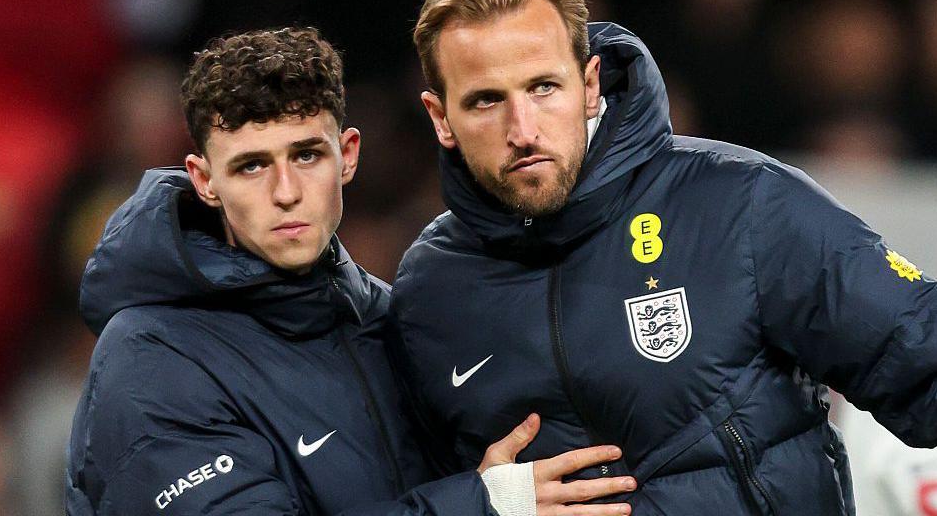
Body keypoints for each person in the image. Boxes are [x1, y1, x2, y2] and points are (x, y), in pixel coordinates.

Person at [388, 0, 937, 516]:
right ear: (440, 117)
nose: (523, 128)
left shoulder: (737, 203)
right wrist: (474, 505)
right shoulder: (429, 291)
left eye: (543, 87)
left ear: (590, 83)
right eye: (486, 101)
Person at [66, 27, 636, 515]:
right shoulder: (150, 359)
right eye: (251, 166)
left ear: (349, 155)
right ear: (204, 180)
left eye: (306, 155)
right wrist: (483, 504)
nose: (285, 193)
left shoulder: (391, 318)